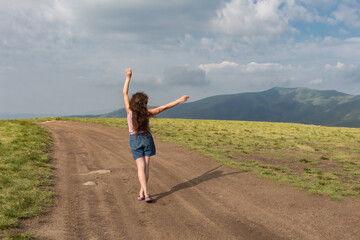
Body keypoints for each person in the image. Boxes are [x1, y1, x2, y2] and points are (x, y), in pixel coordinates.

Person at [123, 68, 189, 202]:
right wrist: (179, 100)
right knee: (146, 167)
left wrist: (128, 77)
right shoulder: (148, 113)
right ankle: (143, 193)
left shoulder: (129, 112)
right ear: (144, 104)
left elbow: (124, 93)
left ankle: (145, 192)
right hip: (147, 139)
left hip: (134, 139)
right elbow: (165, 107)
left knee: (140, 168)